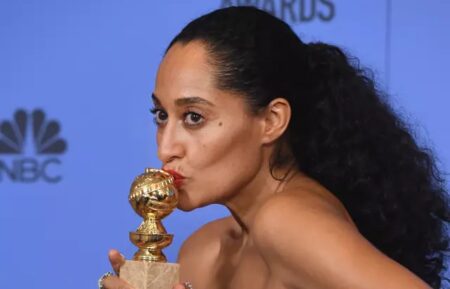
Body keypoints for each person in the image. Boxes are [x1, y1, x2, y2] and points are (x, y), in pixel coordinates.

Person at [101, 6, 450, 289]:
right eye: (161, 115)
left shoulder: (285, 222)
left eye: (194, 117)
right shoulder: (204, 249)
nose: (166, 149)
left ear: (271, 121)